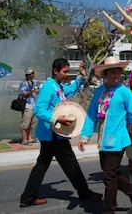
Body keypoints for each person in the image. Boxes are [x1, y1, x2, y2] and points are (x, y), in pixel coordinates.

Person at [20, 59, 102, 208]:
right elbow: (39, 110)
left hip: (55, 135)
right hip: (52, 134)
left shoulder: (57, 86)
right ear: (55, 71)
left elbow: (69, 91)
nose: (66, 75)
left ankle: (28, 197)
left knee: (45, 165)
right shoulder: (48, 87)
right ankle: (85, 193)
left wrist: (81, 77)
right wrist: (57, 118)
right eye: (64, 72)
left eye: (67, 72)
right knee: (69, 164)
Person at [79, 56, 132, 214]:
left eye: (118, 73)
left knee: (109, 177)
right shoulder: (99, 92)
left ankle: (108, 210)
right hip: (103, 141)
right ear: (105, 74)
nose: (116, 76)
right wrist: (84, 136)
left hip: (118, 141)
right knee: (111, 173)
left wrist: (123, 124)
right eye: (113, 73)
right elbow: (91, 115)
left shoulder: (124, 92)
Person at [19, 68, 38, 145]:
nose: (33, 74)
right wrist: (32, 91)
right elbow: (22, 93)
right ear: (28, 74)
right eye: (32, 73)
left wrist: (37, 91)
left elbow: (35, 91)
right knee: (25, 123)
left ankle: (29, 137)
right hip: (27, 105)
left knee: (32, 122)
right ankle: (24, 139)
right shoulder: (23, 83)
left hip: (33, 104)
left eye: (33, 73)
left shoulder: (33, 83)